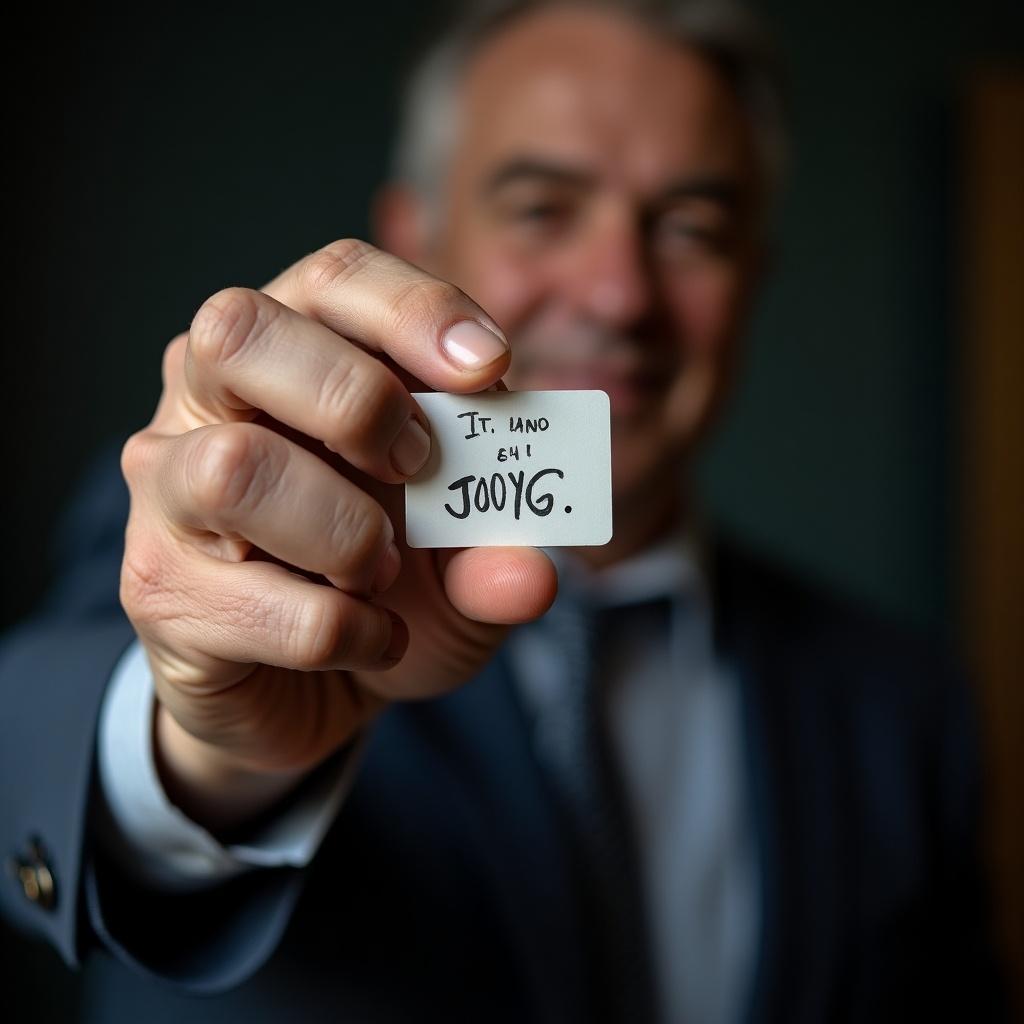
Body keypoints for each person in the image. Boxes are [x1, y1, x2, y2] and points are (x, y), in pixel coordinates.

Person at [0, 1, 1006, 1021]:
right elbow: (38, 743)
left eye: (692, 229)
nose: (618, 294)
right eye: (541, 208)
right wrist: (209, 750)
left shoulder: (903, 706)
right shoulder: (237, 541)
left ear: (755, 278)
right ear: (412, 237)